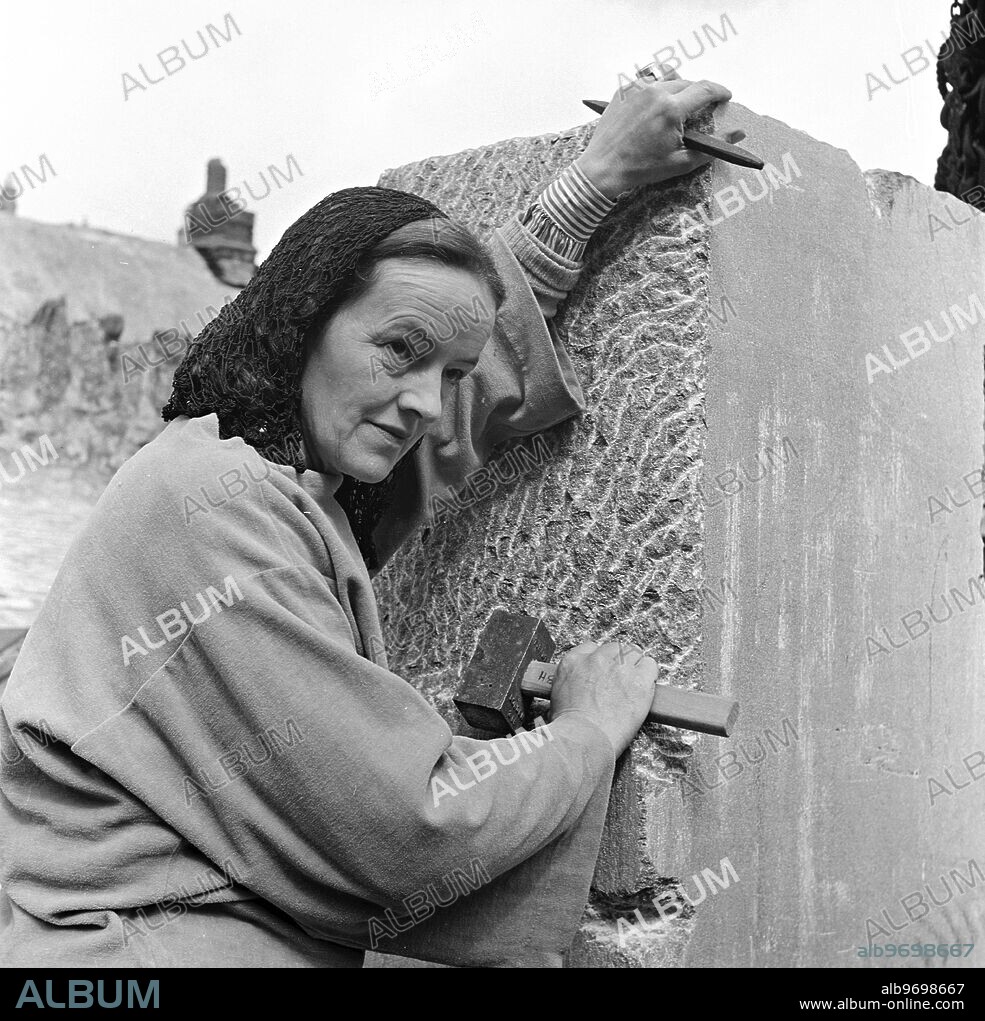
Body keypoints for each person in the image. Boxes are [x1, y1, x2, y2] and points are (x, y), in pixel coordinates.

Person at [0, 72, 743, 968]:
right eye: (399, 352)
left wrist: (591, 187)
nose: (427, 403)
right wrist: (588, 727)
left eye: (452, 375)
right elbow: (405, 831)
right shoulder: (217, 509)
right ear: (300, 324)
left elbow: (434, 399)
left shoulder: (267, 471)